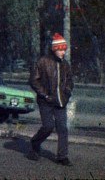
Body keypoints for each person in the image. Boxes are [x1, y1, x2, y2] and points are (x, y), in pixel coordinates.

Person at [27, 33, 74, 166]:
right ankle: (35, 144)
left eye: (64, 49)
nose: (63, 52)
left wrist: (67, 92)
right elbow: (33, 80)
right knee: (48, 127)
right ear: (54, 49)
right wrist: (45, 95)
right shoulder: (43, 61)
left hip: (61, 102)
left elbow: (70, 81)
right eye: (60, 49)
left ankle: (62, 156)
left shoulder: (65, 64)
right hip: (45, 102)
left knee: (63, 129)